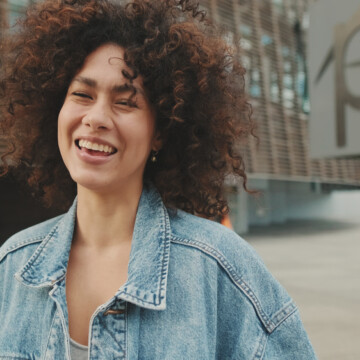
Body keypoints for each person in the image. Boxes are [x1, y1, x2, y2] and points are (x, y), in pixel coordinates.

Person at [0, 0, 318, 358]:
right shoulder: (12, 265)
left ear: (161, 132)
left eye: (126, 102)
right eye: (82, 95)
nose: (96, 118)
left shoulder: (220, 270)